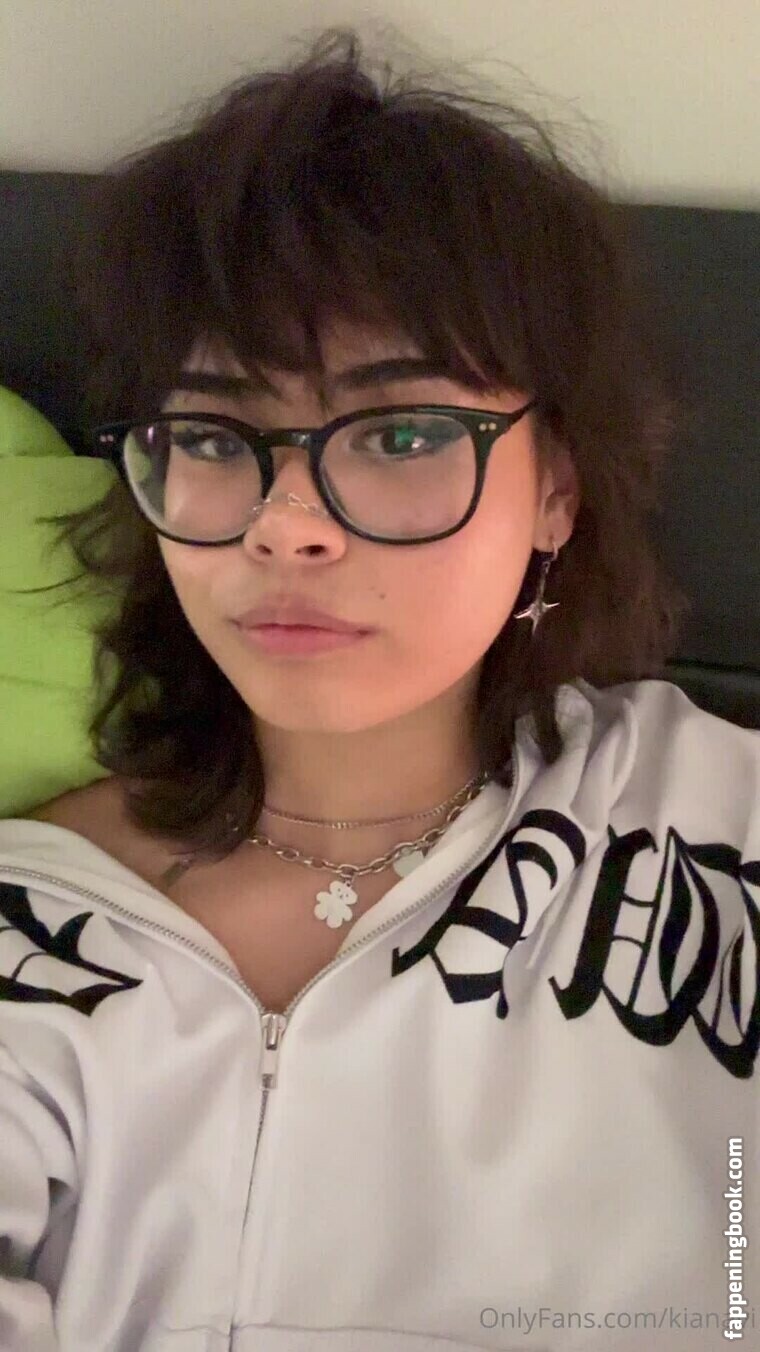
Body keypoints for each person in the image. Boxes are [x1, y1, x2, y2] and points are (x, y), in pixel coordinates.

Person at [0, 25, 757, 1352]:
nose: (286, 525)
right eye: (214, 434)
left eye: (403, 431)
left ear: (557, 489)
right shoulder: (34, 922)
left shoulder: (718, 832)